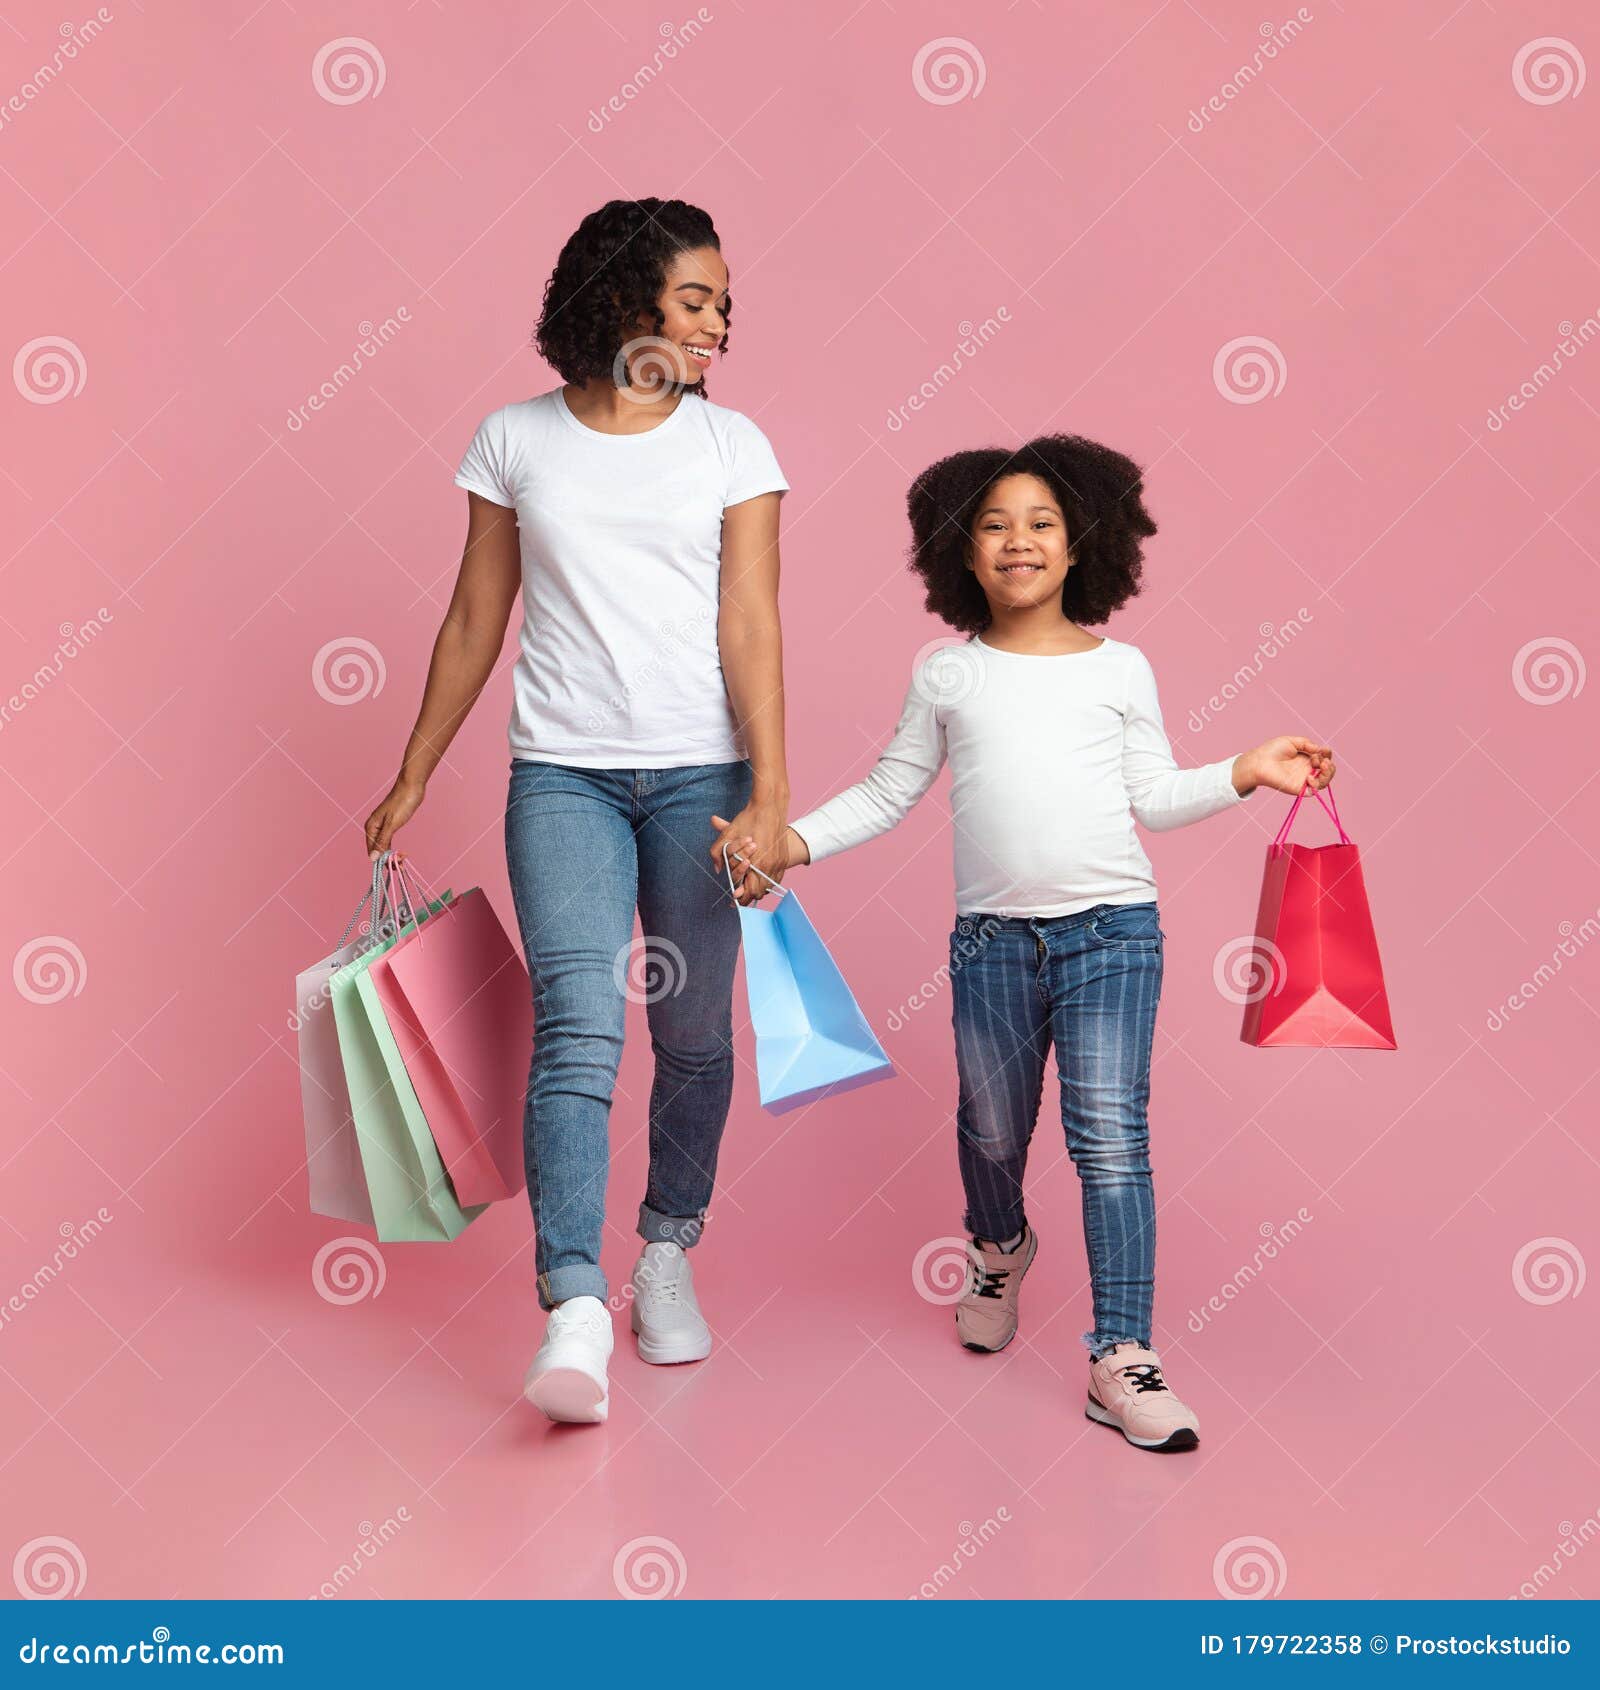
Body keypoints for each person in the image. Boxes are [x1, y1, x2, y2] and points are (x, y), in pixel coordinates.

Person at [767, 435, 1334, 1452]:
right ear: (961, 551)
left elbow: (1155, 800)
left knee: (1109, 1136)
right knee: (990, 1129)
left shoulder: (1121, 669)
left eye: (1040, 523)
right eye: (992, 525)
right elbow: (890, 791)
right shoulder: (947, 674)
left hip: (1113, 934)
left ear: (1082, 544)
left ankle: (1121, 1355)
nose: (1017, 540)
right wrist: (793, 843)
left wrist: (1244, 768)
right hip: (988, 944)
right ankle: (999, 1245)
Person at [365, 198, 792, 1425]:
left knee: (697, 1034)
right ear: (624, 296)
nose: (719, 322)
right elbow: (471, 618)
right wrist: (415, 769)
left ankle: (664, 1251)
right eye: (698, 297)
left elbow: (751, 624)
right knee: (578, 1025)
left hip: (704, 781)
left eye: (723, 302)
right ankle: (573, 1305)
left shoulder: (732, 447)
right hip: (561, 775)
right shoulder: (515, 440)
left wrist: (769, 795)